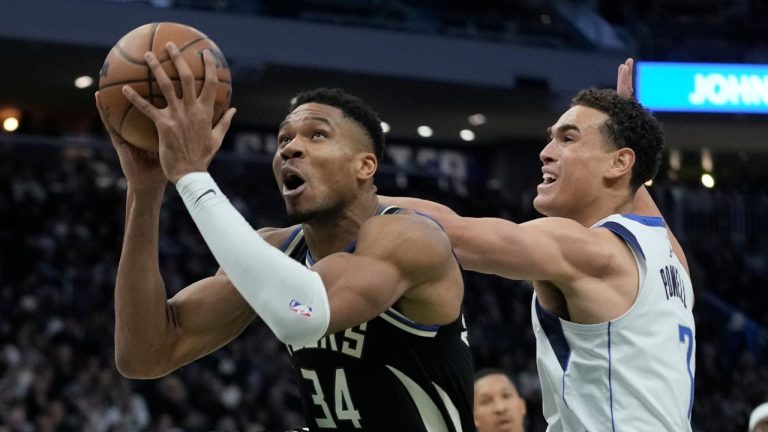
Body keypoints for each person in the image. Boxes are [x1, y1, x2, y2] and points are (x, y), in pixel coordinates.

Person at [95, 44, 475, 431]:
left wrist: (193, 177)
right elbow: (144, 354)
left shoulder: (410, 236)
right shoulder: (276, 250)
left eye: (317, 135)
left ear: (365, 165)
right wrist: (145, 192)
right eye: (283, 140)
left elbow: (300, 315)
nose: (291, 148)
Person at [384, 60, 696, 431]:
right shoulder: (671, 258)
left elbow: (446, 232)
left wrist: (353, 197)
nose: (546, 152)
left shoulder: (592, 250)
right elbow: (631, 182)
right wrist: (624, 129)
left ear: (618, 163)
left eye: (568, 138)